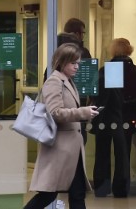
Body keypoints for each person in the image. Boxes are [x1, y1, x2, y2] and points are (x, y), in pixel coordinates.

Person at [23, 43, 100, 209]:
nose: (77, 67)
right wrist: (82, 112)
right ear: (62, 62)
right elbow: (55, 112)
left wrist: (85, 113)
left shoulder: (67, 81)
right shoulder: (54, 82)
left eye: (78, 63)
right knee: (47, 195)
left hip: (71, 148)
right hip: (60, 148)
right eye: (73, 63)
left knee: (77, 193)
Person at [93, 38, 136, 198]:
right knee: (123, 153)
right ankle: (121, 189)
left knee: (102, 152)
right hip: (127, 117)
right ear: (129, 50)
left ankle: (101, 187)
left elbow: (99, 95)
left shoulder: (106, 70)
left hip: (105, 117)